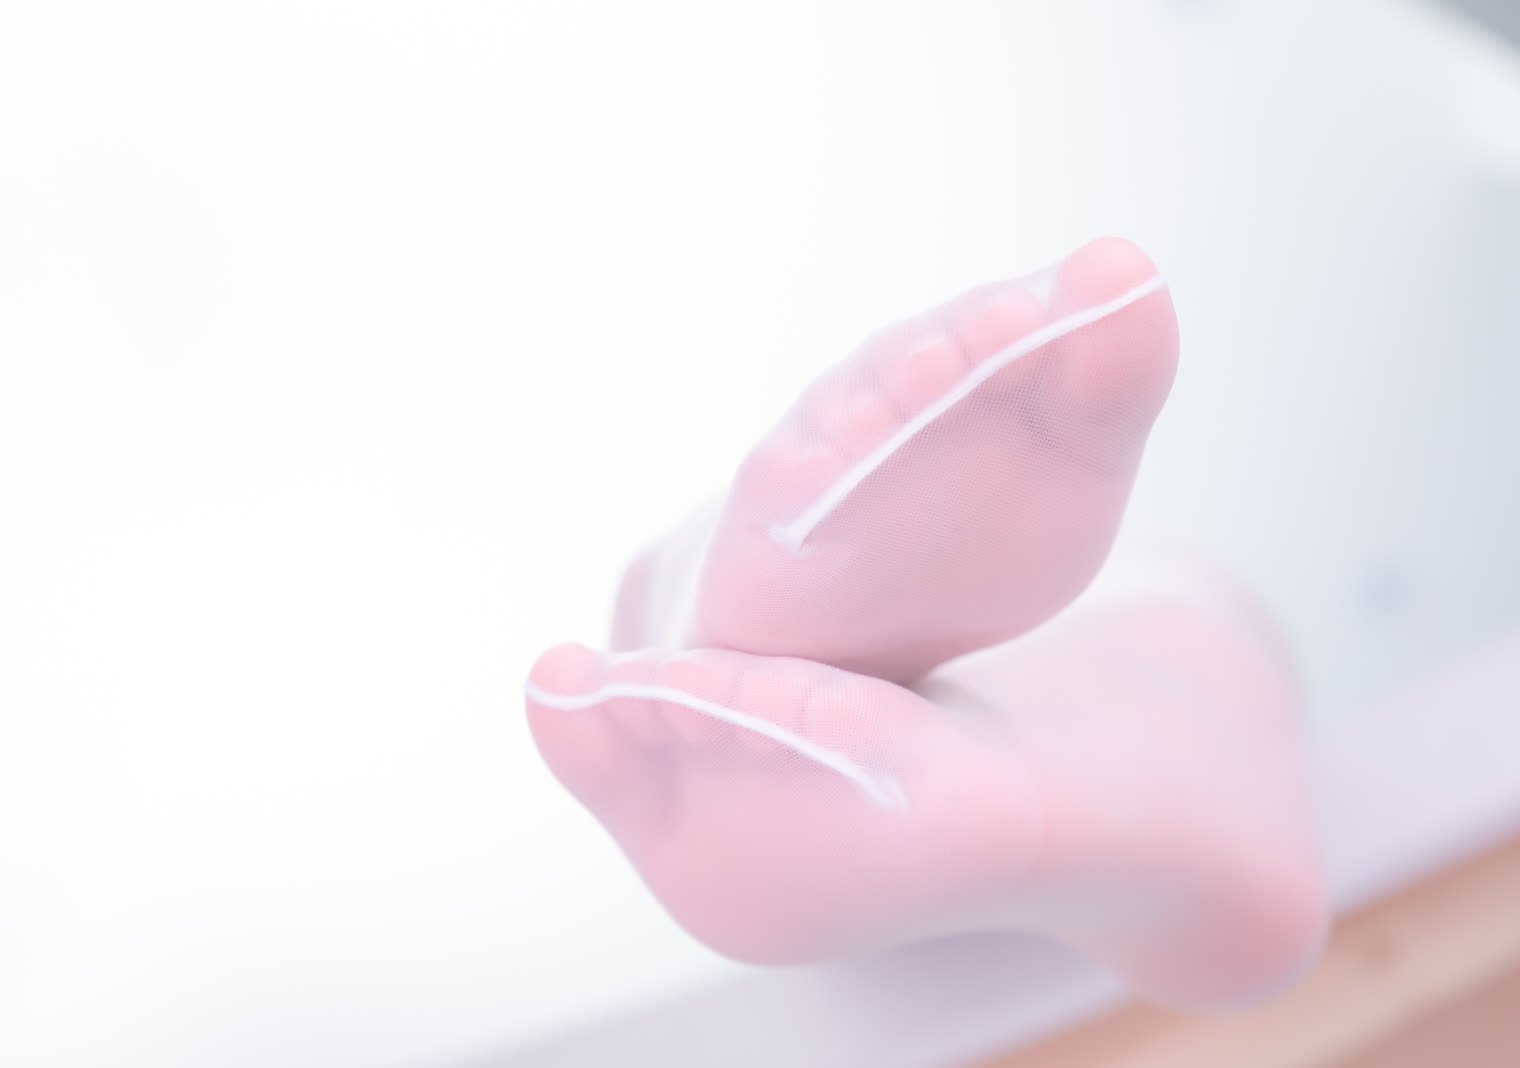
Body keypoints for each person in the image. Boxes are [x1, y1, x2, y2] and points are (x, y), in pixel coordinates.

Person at [524, 238, 1327, 1010]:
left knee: (647, 593)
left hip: (876, 927)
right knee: (1173, 617)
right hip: (1160, 635)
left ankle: (689, 610)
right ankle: (1141, 764)